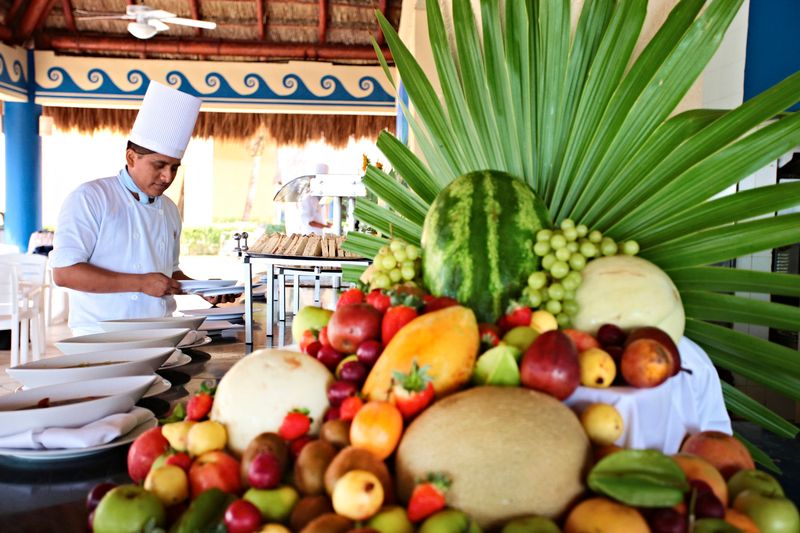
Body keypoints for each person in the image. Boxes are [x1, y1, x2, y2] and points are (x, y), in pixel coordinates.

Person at [51, 81, 228, 336]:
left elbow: (166, 273)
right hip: (101, 336)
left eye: (175, 167)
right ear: (131, 157)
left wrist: (202, 288)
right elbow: (65, 273)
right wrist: (140, 283)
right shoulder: (91, 198)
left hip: (161, 332)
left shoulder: (168, 208)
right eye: (159, 165)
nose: (168, 177)